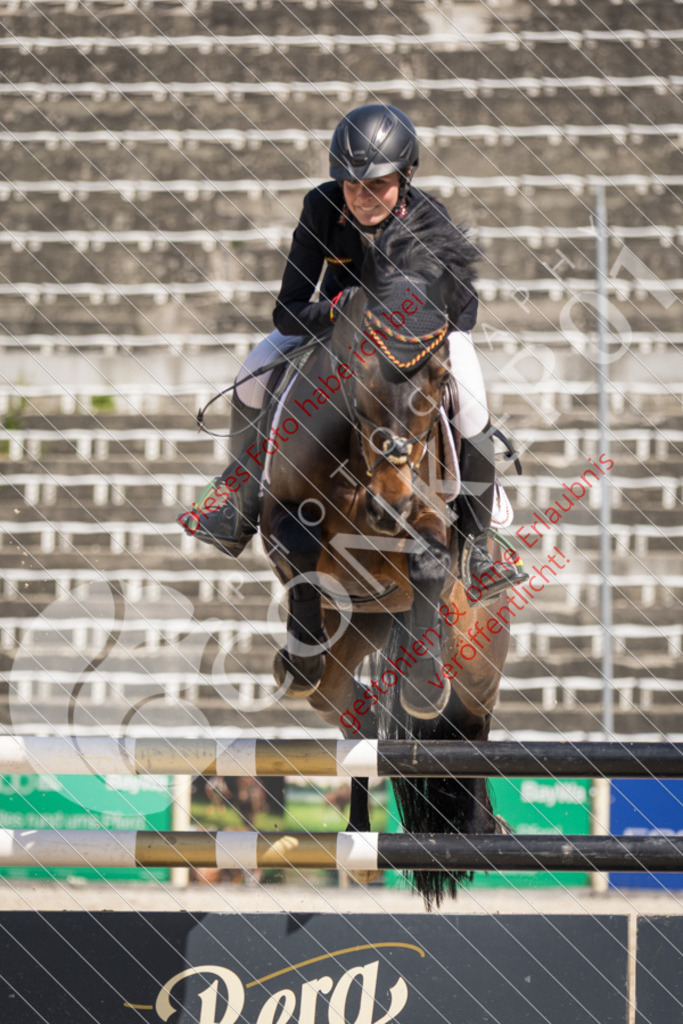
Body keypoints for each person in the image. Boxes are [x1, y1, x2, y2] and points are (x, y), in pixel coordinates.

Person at [177, 104, 528, 599]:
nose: (362, 197)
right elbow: (289, 309)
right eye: (351, 184)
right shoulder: (321, 207)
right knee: (255, 368)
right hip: (335, 335)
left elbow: (463, 308)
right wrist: (337, 314)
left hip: (417, 345)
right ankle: (236, 494)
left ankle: (479, 547)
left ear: (405, 176)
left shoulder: (430, 221)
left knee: (470, 400)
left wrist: (417, 338)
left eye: (376, 183)